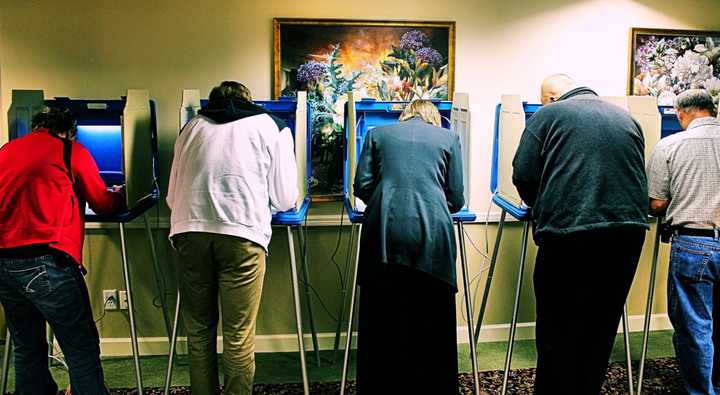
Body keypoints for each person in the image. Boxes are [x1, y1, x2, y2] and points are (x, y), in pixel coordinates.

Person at [512, 74, 649, 394]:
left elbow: (523, 174)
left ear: (550, 97)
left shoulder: (547, 115)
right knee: (600, 326)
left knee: (557, 327)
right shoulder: (626, 118)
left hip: (568, 233)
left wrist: (544, 205)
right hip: (627, 234)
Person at [166, 81, 298, 395]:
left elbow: (172, 196)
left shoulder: (191, 128)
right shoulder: (271, 126)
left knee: (198, 332)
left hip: (190, 232)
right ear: (249, 101)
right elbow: (284, 199)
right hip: (242, 236)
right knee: (238, 335)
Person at [0, 107, 124, 395]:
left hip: (4, 262)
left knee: (26, 345)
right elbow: (102, 203)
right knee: (80, 345)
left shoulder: (6, 151)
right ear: (69, 131)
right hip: (47, 261)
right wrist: (120, 195)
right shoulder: (70, 150)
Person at [353, 99, 464, 394]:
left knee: (382, 318)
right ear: (433, 118)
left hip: (384, 234)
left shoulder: (377, 134)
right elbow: (456, 198)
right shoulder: (449, 138)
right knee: (431, 318)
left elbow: (361, 186)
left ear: (404, 116)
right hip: (432, 238)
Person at [646, 89, 720, 395]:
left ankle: (702, 392)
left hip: (694, 243)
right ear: (712, 110)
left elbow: (656, 204)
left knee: (695, 327)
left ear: (680, 113)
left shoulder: (669, 145)